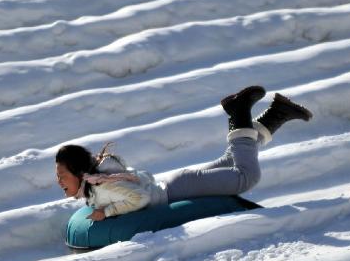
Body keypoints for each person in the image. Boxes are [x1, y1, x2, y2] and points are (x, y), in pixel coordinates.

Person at [54, 86, 312, 221]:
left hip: (179, 190)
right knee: (233, 159)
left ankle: (239, 111)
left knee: (246, 177)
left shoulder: (101, 188)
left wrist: (106, 212)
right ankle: (277, 114)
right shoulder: (103, 177)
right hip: (178, 183)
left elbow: (140, 199)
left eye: (61, 175)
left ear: (79, 173)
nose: (58, 182)